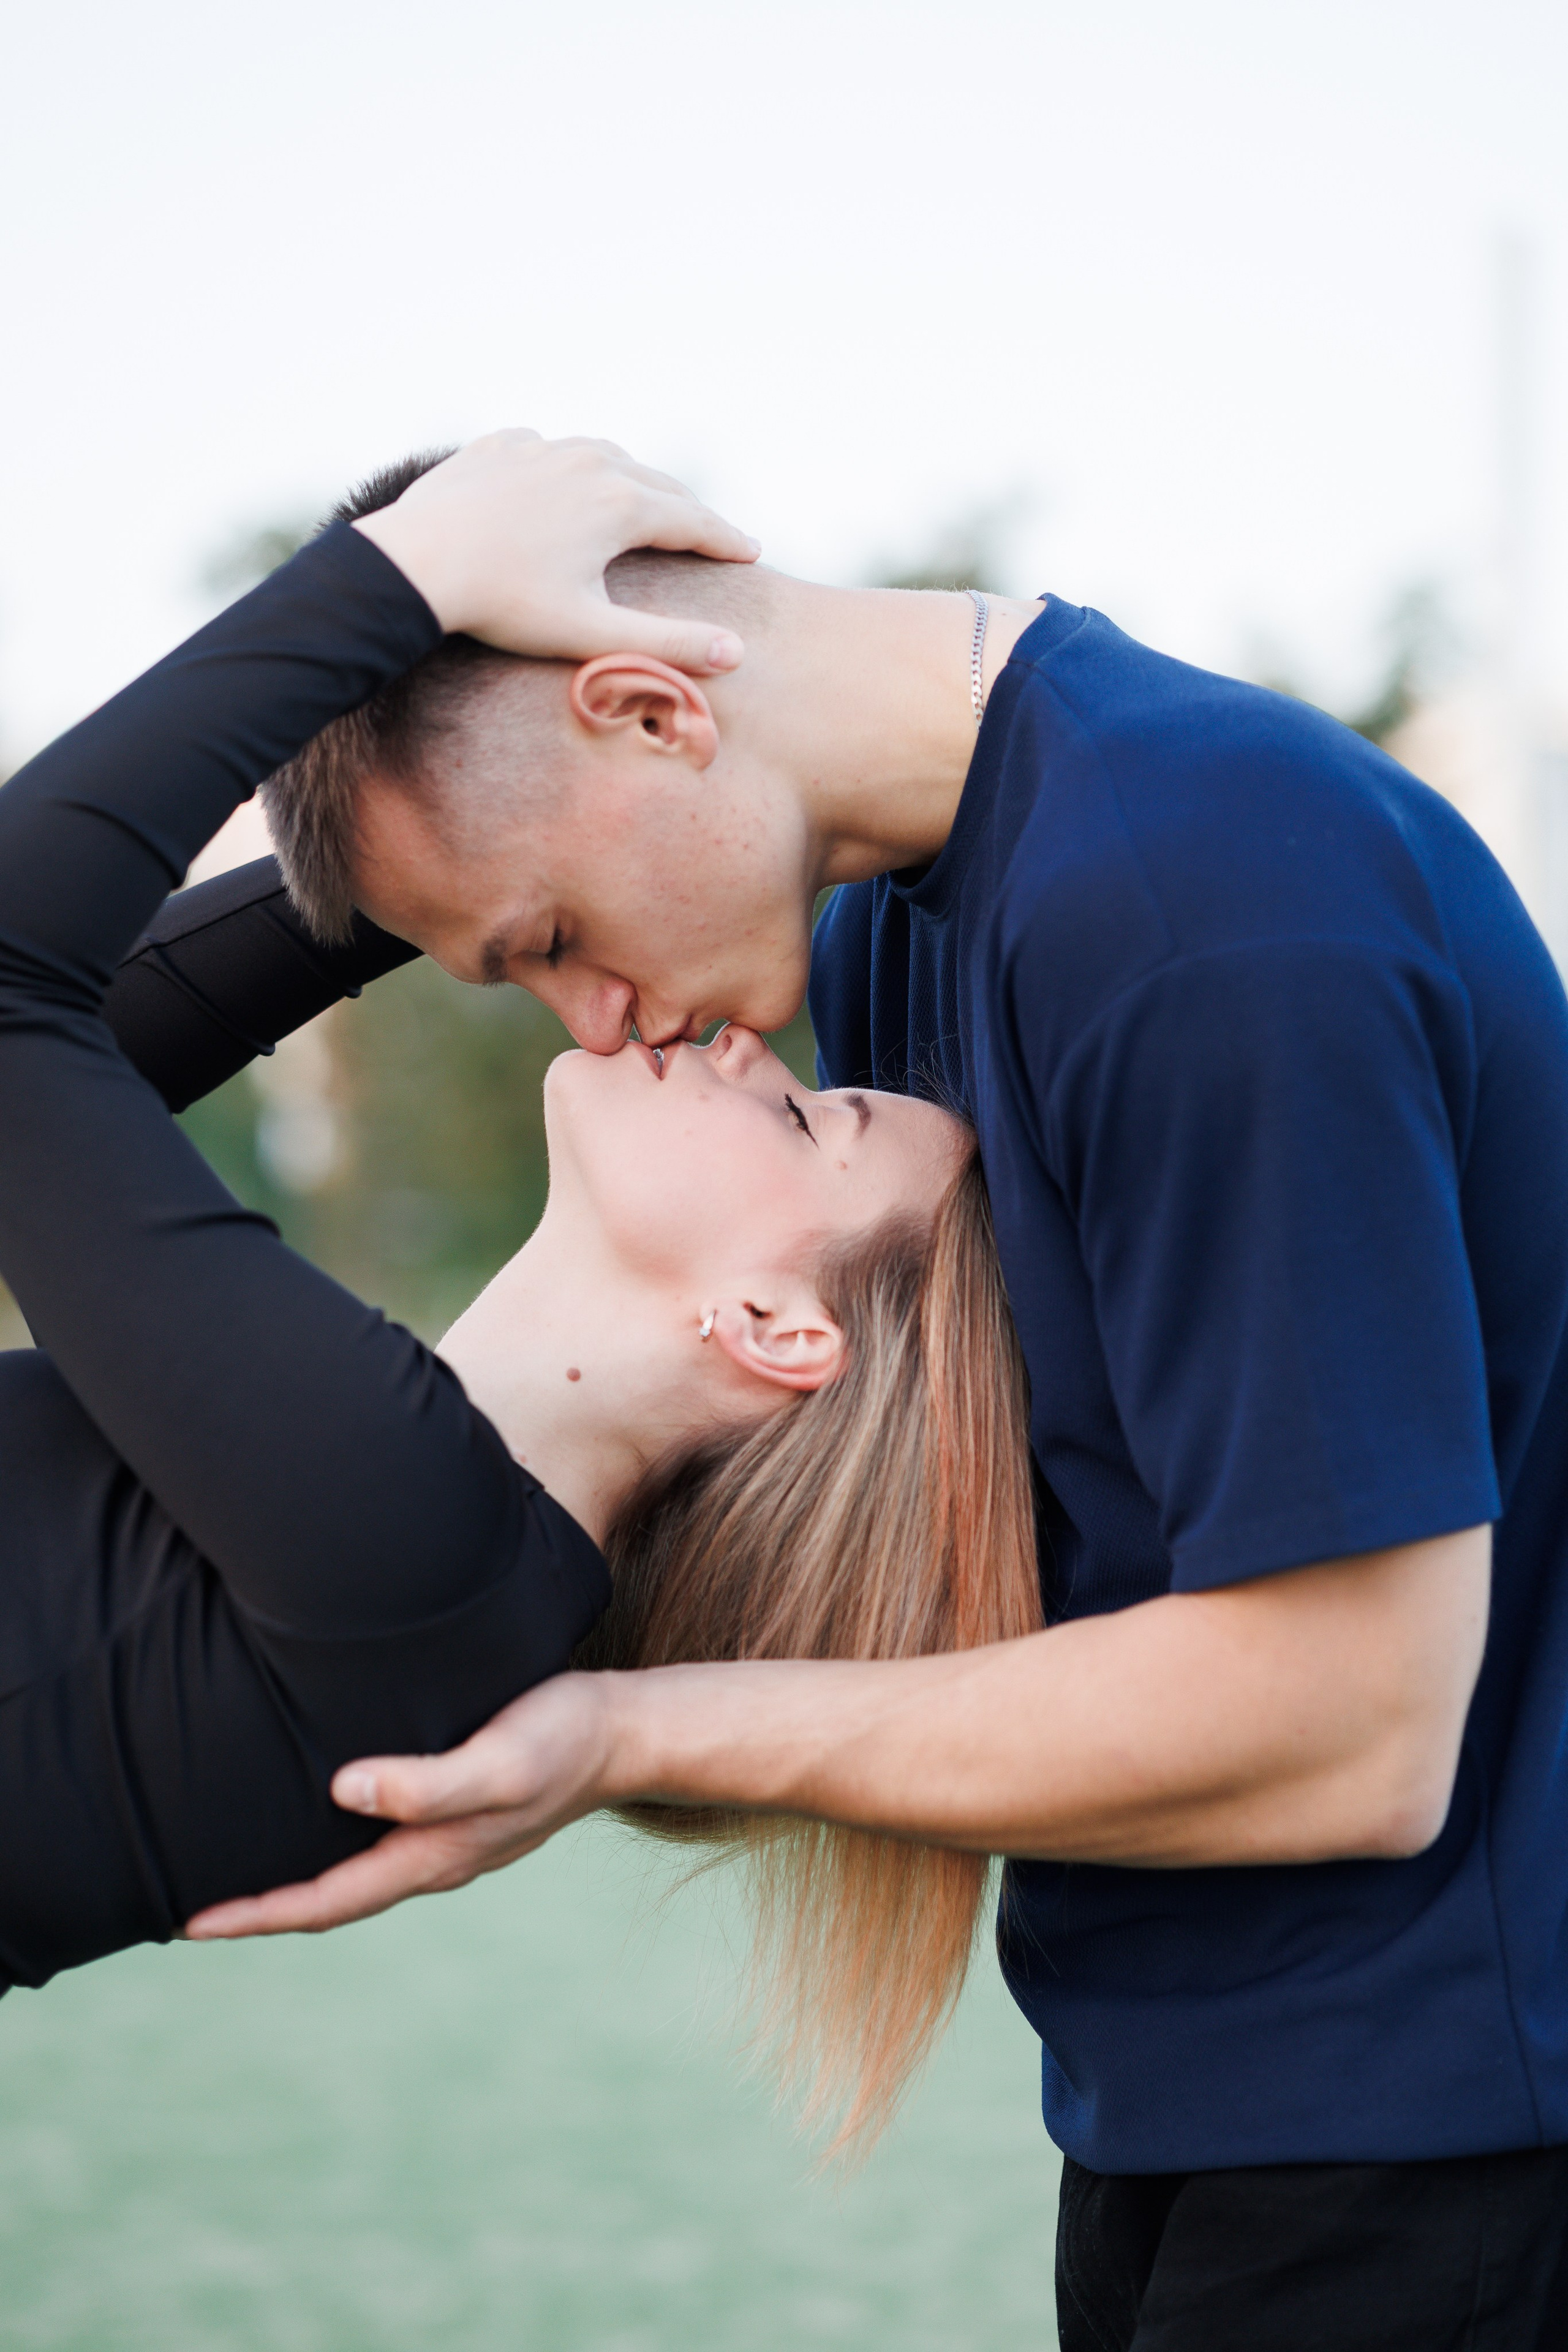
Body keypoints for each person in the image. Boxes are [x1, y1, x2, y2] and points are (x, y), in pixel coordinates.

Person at [197, 441, 1568, 2350]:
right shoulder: (883, 922)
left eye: (547, 944)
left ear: (657, 708)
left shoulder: (1206, 902)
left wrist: (626, 1734)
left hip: (1447, 2135)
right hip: (1196, 2098)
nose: (590, 1026)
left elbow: (1357, 1721)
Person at [0, 435, 1033, 2114]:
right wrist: (495, 861)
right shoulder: (449, 1557)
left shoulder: (409, 1533)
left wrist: (400, 581)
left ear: (772, 1326)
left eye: (817, 1114)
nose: (751, 1044)